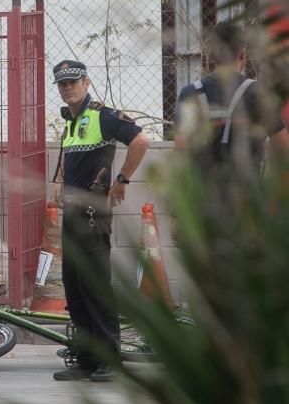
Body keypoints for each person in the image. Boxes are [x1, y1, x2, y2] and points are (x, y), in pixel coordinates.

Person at [51, 60, 150, 383]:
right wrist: (59, 183)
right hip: (72, 215)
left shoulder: (103, 115)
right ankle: (86, 359)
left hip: (93, 215)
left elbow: (140, 141)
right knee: (75, 287)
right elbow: (74, 159)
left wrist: (122, 179)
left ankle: (110, 358)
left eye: (73, 82)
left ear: (87, 82)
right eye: (62, 84)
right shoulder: (71, 119)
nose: (67, 88)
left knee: (95, 286)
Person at [174, 22, 289, 175]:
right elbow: (283, 149)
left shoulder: (189, 93)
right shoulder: (259, 93)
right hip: (248, 194)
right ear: (242, 54)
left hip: (202, 196)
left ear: (212, 55)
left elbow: (181, 154)